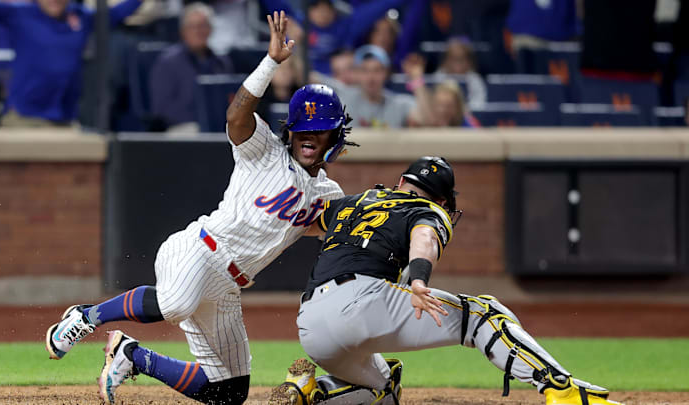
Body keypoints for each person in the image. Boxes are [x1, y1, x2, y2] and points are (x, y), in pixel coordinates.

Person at [45, 11, 353, 405]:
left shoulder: (329, 193)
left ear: (336, 136)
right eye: (303, 128)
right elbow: (236, 115)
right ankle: (86, 317)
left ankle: (131, 355)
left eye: (320, 129)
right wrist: (271, 62)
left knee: (228, 392)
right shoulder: (263, 150)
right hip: (200, 250)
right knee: (174, 303)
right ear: (289, 129)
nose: (310, 136)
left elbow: (328, 227)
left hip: (227, 287)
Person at [270, 156, 624, 405]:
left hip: (311, 326)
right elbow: (423, 240)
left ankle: (308, 390)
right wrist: (419, 280)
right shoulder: (426, 208)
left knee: (386, 391)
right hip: (362, 301)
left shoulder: (354, 201)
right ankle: (562, 389)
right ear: (442, 199)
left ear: (401, 183)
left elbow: (299, 226)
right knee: (484, 314)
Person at [0, 0, 143, 127]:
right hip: (26, 118)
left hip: (66, 118)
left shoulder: (81, 17)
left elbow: (116, 14)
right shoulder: (19, 14)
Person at [149, 3, 233, 132]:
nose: (198, 31)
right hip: (181, 127)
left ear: (211, 30)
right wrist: (201, 119)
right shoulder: (168, 62)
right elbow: (161, 108)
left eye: (203, 26)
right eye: (192, 27)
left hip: (218, 125)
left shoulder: (221, 62)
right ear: (183, 31)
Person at [435, 37, 487, 110]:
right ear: (446, 60)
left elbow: (479, 104)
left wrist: (461, 111)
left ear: (469, 61)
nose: (457, 64)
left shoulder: (475, 79)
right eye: (453, 58)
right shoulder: (439, 76)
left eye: (461, 59)